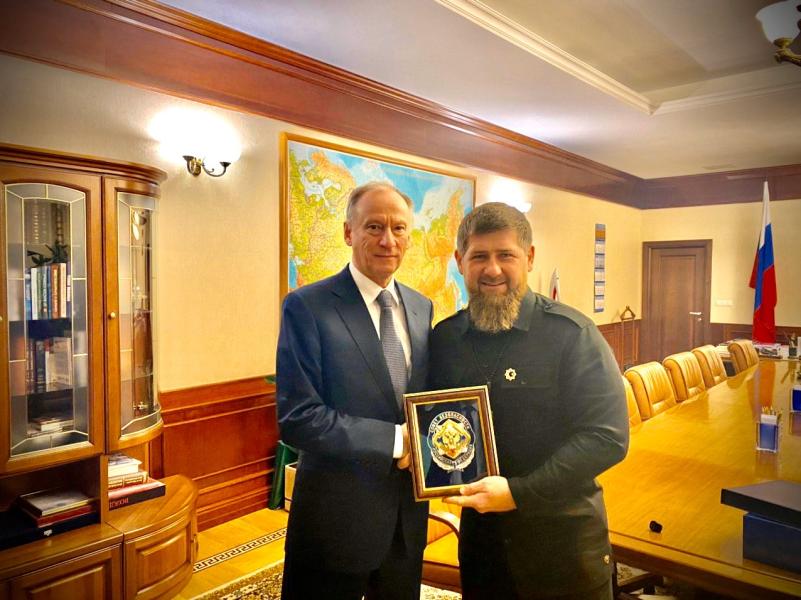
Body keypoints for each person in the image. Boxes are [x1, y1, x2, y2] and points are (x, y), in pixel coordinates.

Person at [430, 202, 629, 600]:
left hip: (564, 548)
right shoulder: (445, 339)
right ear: (459, 261)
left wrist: (519, 493)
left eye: (506, 255)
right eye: (479, 256)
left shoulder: (572, 334)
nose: (493, 269)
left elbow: (607, 438)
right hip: (483, 549)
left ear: (530, 257)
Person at [277, 182, 433, 600]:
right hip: (335, 525)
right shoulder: (307, 307)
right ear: (349, 232)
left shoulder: (421, 307)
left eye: (399, 228)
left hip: (405, 526)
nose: (388, 240)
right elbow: (298, 418)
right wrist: (397, 440)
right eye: (374, 227)